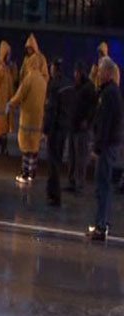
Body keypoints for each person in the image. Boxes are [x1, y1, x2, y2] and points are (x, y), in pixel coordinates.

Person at [87, 57, 123, 241]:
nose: (98, 74)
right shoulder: (111, 91)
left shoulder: (109, 94)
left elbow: (105, 124)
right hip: (112, 144)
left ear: (108, 73)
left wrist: (97, 148)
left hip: (107, 146)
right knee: (104, 184)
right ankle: (103, 222)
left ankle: (101, 225)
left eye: (101, 71)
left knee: (102, 184)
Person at [9, 54, 47, 184]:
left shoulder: (29, 79)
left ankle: (25, 173)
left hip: (27, 119)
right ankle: (32, 173)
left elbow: (19, 95)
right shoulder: (43, 80)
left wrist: (11, 104)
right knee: (34, 148)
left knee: (25, 148)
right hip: (38, 121)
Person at [43, 58, 74, 206]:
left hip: (55, 130)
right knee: (59, 160)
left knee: (52, 162)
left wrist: (46, 129)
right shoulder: (69, 84)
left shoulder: (53, 85)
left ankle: (53, 195)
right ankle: (55, 194)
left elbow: (51, 109)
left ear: (54, 69)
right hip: (65, 128)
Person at [66, 61, 97, 194]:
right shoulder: (76, 86)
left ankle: (80, 184)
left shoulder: (89, 87)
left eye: (78, 72)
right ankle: (72, 181)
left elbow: (93, 107)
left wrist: (87, 121)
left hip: (82, 129)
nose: (76, 75)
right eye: (75, 72)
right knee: (72, 157)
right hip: (73, 127)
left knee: (80, 157)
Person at [0, 40, 18, 155]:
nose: (9, 57)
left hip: (5, 104)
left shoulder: (7, 68)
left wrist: (13, 68)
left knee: (4, 129)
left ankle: (3, 149)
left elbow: (14, 80)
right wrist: (4, 66)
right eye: (8, 54)